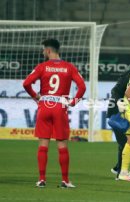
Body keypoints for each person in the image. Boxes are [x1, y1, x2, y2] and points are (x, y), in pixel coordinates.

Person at [23, 38, 86, 188]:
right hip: (60, 106)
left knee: (43, 143)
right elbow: (82, 87)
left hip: (44, 106)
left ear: (48, 50)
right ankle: (65, 181)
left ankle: (42, 180)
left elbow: (26, 83)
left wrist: (36, 97)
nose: (43, 52)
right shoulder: (69, 67)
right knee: (62, 144)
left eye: (43, 49)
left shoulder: (42, 67)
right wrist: (73, 102)